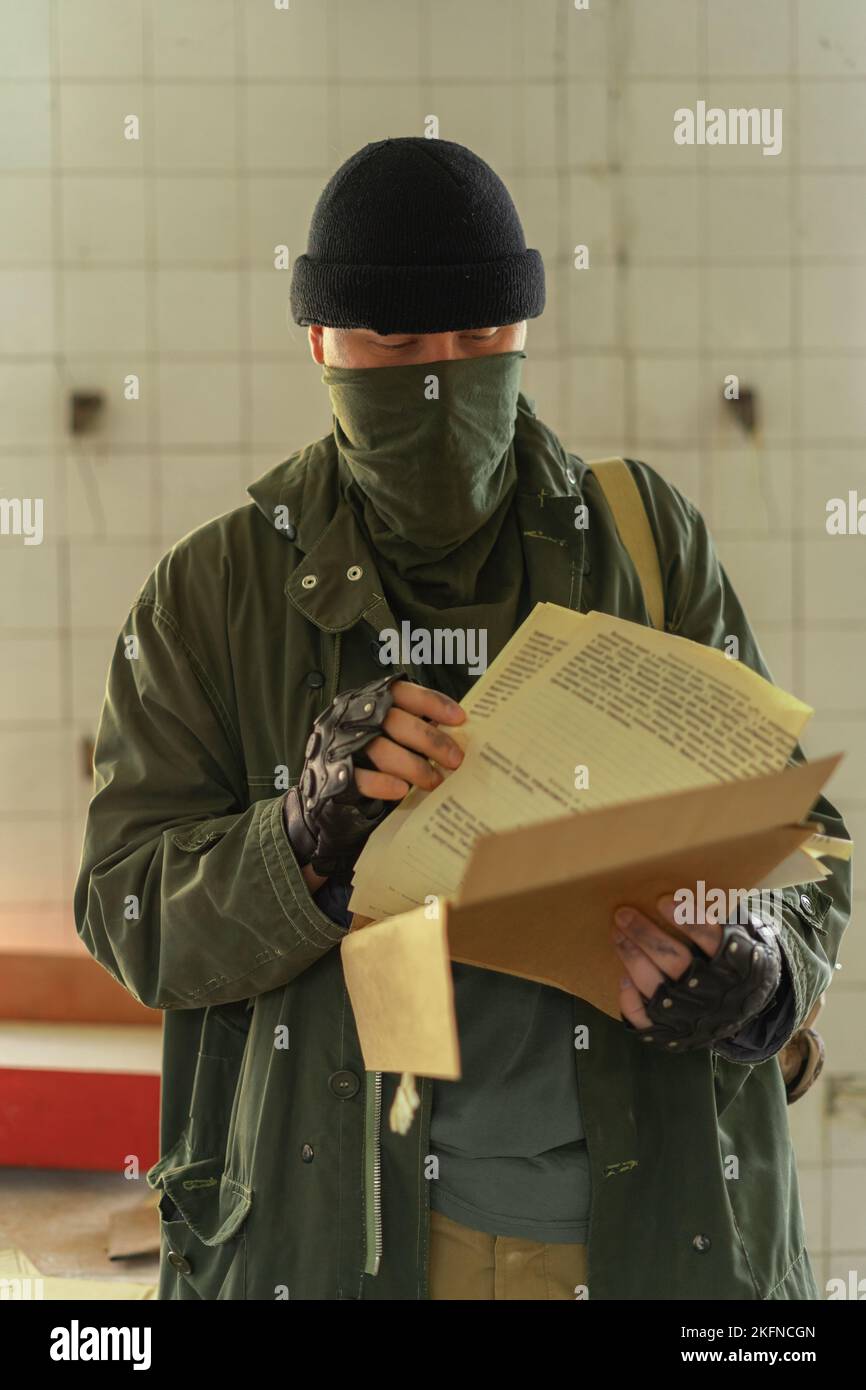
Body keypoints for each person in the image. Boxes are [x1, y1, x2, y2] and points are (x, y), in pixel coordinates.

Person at [74, 137, 851, 1301]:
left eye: (479, 337)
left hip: (645, 1241)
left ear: (523, 331)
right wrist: (292, 843)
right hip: (332, 1241)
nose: (440, 374)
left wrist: (763, 973)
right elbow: (125, 907)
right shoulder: (212, 592)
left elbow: (796, 829)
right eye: (395, 342)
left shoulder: (643, 545)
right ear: (321, 343)